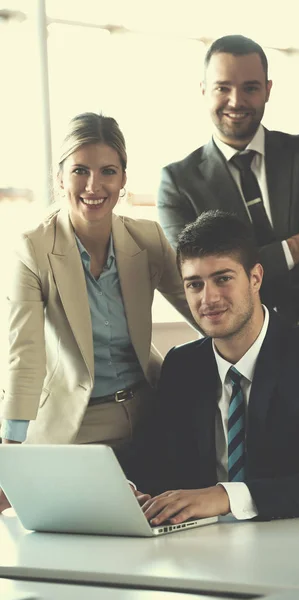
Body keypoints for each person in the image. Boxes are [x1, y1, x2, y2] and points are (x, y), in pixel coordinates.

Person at [157, 34, 299, 394]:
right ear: (203, 90)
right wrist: (295, 248)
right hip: (253, 369)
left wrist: (245, 283)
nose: (236, 101)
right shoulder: (178, 182)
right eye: (223, 87)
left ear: (267, 89)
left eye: (250, 87)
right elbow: (201, 279)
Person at [130, 211, 299, 525]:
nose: (207, 298)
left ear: (255, 278)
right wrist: (137, 492)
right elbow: (162, 464)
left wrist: (227, 496)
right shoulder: (182, 365)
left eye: (222, 279)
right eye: (194, 284)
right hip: (211, 544)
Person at [0, 112, 193, 512]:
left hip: (146, 418)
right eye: (80, 171)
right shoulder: (32, 250)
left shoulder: (148, 238)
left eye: (108, 171)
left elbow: (202, 309)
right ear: (60, 178)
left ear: (123, 179)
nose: (93, 185)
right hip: (74, 431)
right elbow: (25, 357)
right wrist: (12, 453)